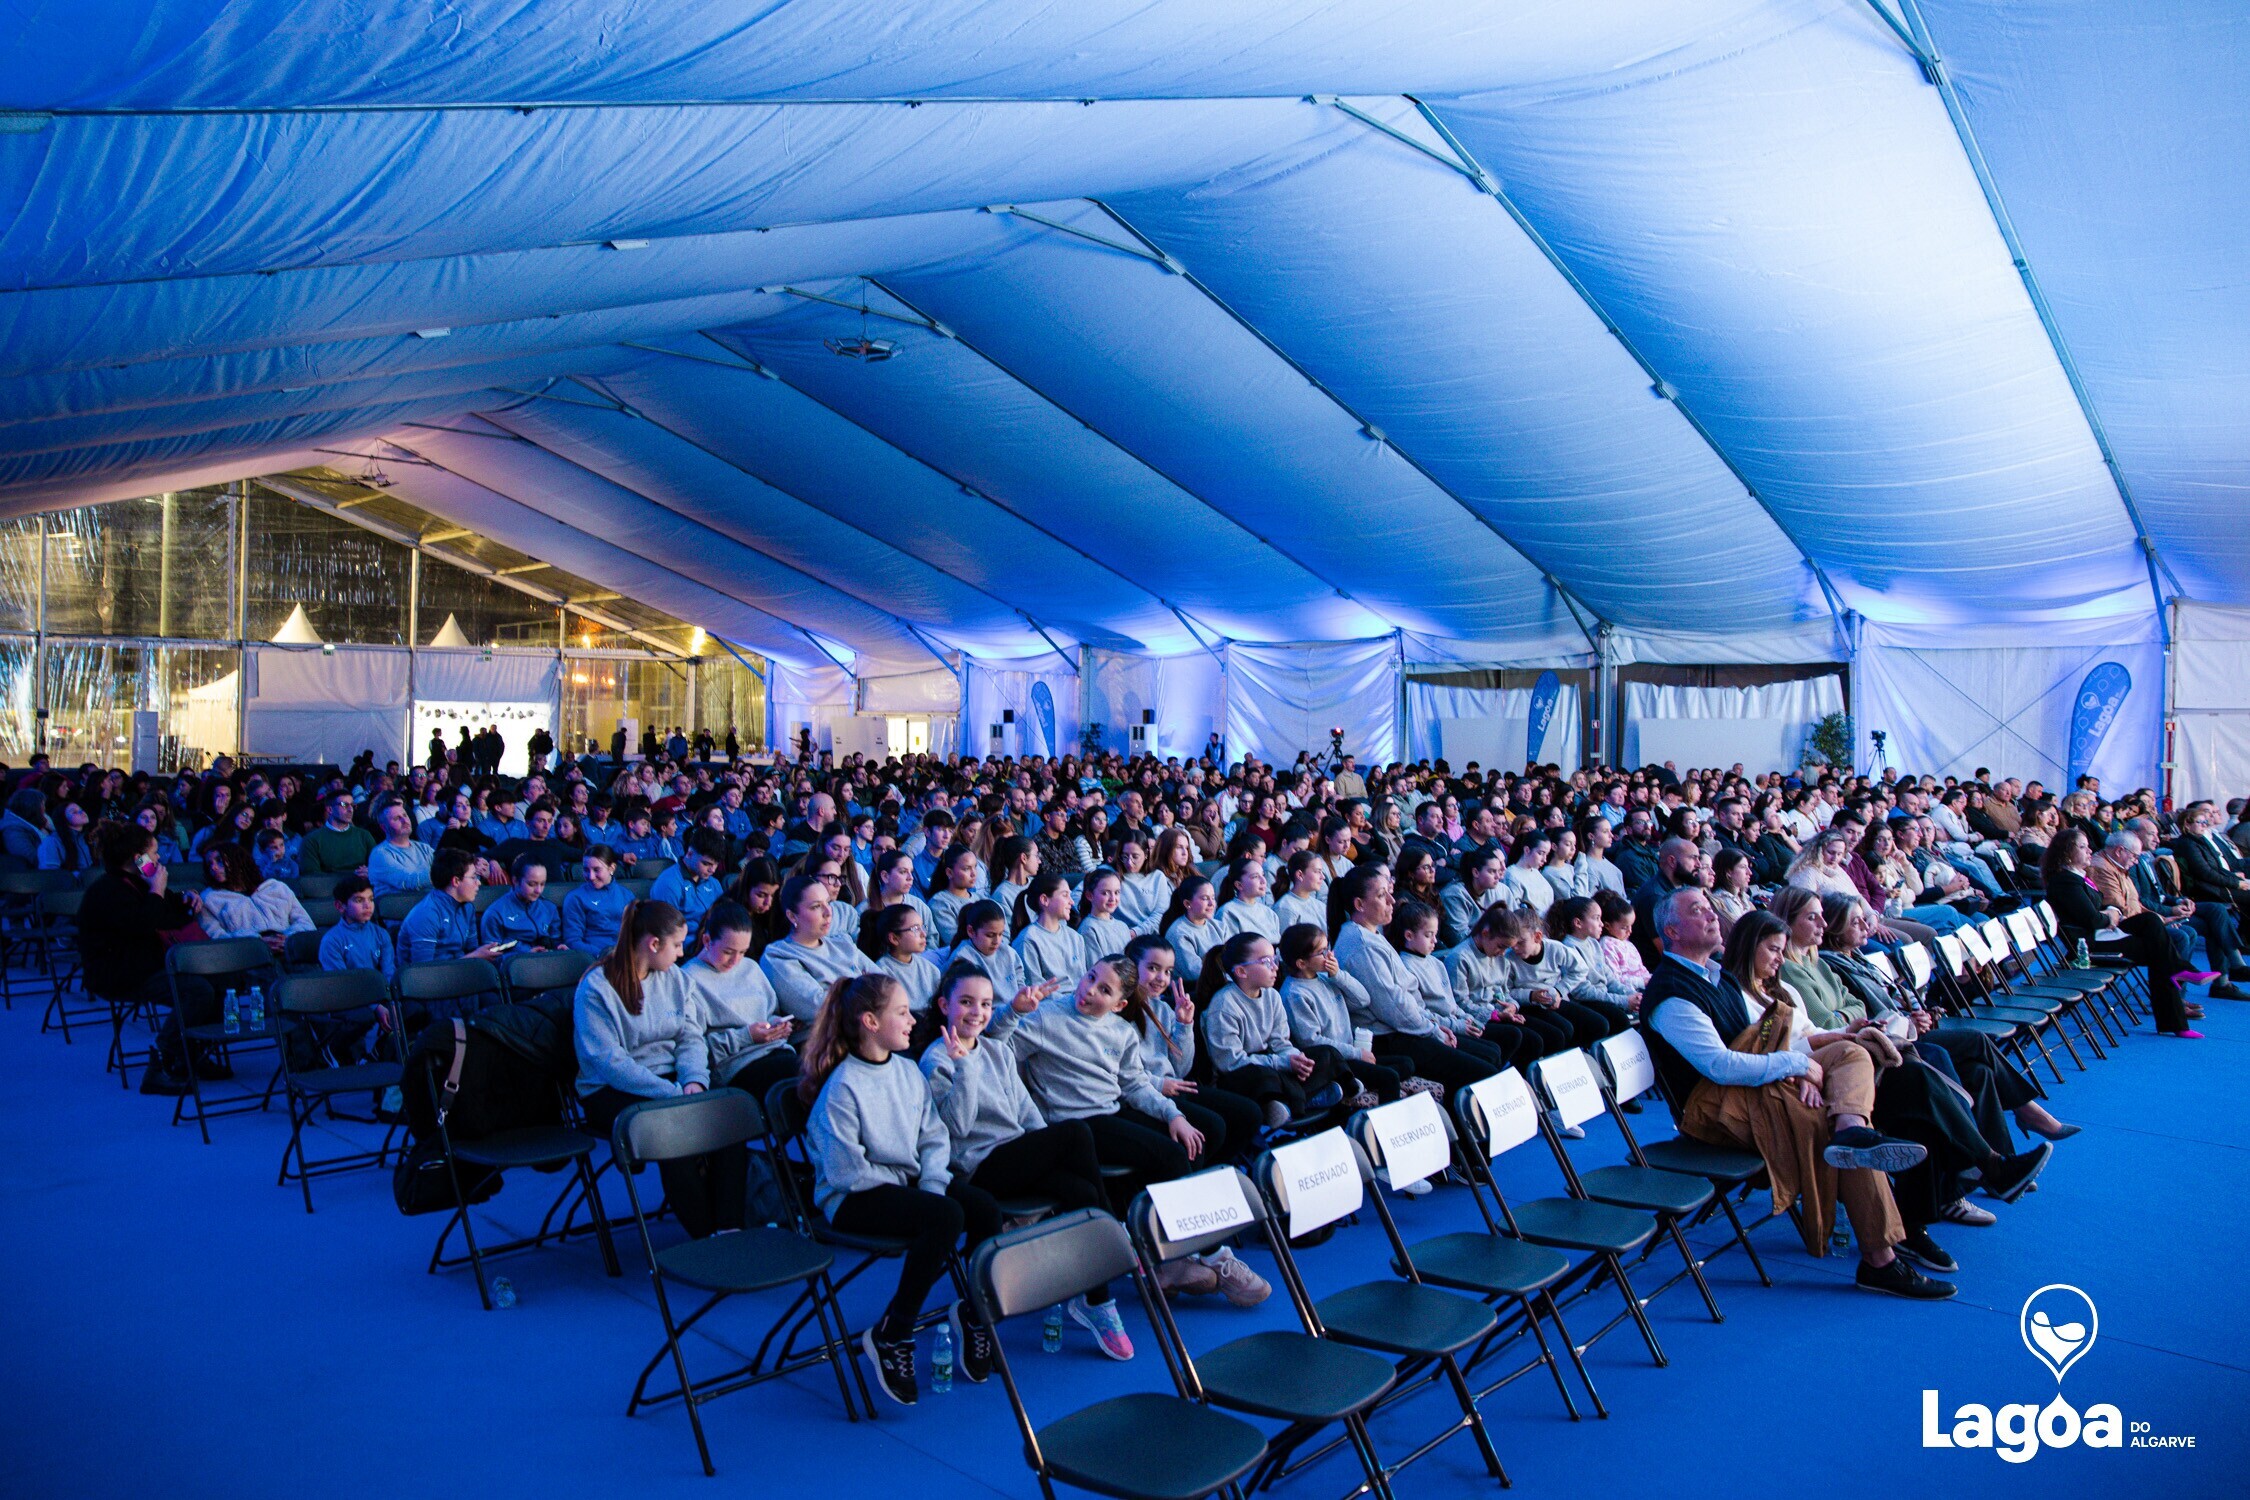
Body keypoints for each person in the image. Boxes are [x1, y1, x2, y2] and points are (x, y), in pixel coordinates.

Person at [1638, 888, 1952, 1300]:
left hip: (1755, 1091)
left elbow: (1764, 1044)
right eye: (1697, 911)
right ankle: (1881, 1261)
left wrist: (1804, 1067)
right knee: (1831, 1133)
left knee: (1850, 1052)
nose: (1712, 916)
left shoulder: (1714, 975)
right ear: (1673, 931)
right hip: (1719, 1111)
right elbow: (1721, 1065)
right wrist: (1796, 1066)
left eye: (1711, 907)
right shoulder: (1673, 993)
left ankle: (1851, 1126)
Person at [920, 962, 1134, 1360]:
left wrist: (1046, 1158)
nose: (977, 1012)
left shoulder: (996, 1049)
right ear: (944, 1005)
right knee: (1075, 1132)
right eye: (965, 1002)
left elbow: (1026, 1114)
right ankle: (1112, 1235)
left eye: (985, 1004)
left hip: (1017, 1158)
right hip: (978, 1168)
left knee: (1081, 1189)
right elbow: (957, 1129)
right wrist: (964, 1068)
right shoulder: (937, 1059)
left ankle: (1098, 1301)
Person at [800, 971, 986, 1406]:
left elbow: (934, 1138)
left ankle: (975, 1315)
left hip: (906, 1185)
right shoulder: (843, 1087)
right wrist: (921, 1194)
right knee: (945, 1217)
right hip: (853, 1197)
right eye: (902, 1012)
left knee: (982, 1209)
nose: (912, 1020)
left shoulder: (905, 1071)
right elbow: (847, 1172)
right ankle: (893, 1333)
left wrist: (933, 1184)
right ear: (869, 1021)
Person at [574, 900, 745, 1242]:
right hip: (610, 1090)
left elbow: (690, 1036)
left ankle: (729, 1228)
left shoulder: (675, 980)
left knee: (728, 1119)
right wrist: (672, 1095)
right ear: (654, 944)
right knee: (673, 1131)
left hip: (671, 1081)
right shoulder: (596, 988)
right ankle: (705, 1236)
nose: (682, 954)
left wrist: (694, 1080)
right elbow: (609, 1062)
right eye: (678, 945)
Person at [1332, 865, 1501, 1097]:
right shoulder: (1361, 945)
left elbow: (1408, 1001)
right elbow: (1393, 1006)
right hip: (1388, 1037)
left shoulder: (1371, 935)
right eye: (1381, 896)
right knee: (1485, 1070)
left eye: (1388, 891)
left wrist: (1435, 1023)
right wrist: (1434, 1031)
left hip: (1406, 1027)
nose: (1392, 899)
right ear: (1359, 905)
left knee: (1491, 1051)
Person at [80, 822, 211, 1095]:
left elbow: (169, 913)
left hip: (149, 965)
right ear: (136, 858)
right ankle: (162, 1061)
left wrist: (188, 898)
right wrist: (156, 891)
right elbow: (143, 924)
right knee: (197, 991)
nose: (159, 858)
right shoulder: (108, 891)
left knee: (217, 978)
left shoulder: (140, 882)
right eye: (153, 853)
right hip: (121, 973)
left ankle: (191, 1055)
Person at [2043, 827, 2192, 1036]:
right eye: (2083, 847)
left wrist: (2111, 912)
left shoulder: (2077, 877)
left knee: (2150, 923)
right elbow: (2093, 919)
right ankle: (2175, 1018)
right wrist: (2111, 915)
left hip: (2101, 933)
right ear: (2067, 852)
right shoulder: (2065, 881)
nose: (2089, 851)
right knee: (2158, 952)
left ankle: (2176, 1014)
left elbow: (2097, 909)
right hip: (2087, 945)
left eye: (2088, 846)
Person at [683, 899, 799, 1103]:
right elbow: (694, 1048)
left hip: (776, 1051)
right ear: (707, 941)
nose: (736, 961)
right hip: (735, 1066)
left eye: (743, 952)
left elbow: (771, 1011)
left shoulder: (750, 968)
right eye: (728, 952)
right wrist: (747, 1036)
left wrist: (778, 1027)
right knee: (804, 1080)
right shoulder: (688, 981)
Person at [761, 872, 877, 1024]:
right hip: (828, 1038)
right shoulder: (778, 956)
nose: (828, 912)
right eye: (816, 906)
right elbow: (817, 1007)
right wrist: (863, 981)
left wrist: (838, 990)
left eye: (828, 903)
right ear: (792, 916)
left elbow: (884, 982)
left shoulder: (843, 944)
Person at [195, 843, 314, 950]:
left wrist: (288, 938)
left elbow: (305, 923)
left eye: (219, 860)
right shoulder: (209, 899)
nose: (213, 867)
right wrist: (258, 943)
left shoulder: (276, 887)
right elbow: (216, 937)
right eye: (209, 864)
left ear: (238, 861)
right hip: (248, 955)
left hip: (290, 948)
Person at [319, 875, 397, 983]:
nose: (368, 905)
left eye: (371, 899)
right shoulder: (332, 941)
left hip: (380, 995)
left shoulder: (381, 934)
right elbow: (340, 982)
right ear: (340, 906)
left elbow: (389, 974)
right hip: (350, 997)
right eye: (359, 900)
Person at [561, 845, 634, 956]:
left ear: (612, 868)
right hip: (594, 959)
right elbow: (573, 941)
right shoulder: (575, 898)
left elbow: (636, 932)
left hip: (626, 956)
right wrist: (604, 954)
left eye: (597, 870)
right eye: (586, 870)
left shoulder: (626, 895)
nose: (591, 876)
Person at [649, 833, 723, 940]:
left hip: (712, 940)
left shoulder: (713, 883)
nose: (713, 870)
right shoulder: (668, 884)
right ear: (689, 853)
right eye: (706, 864)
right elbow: (666, 931)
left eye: (716, 864)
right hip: (685, 946)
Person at [481, 855, 563, 949]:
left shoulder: (549, 908)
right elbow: (491, 953)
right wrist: (525, 955)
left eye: (542, 884)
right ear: (515, 881)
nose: (539, 890)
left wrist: (559, 947)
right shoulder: (495, 913)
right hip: (517, 961)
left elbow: (556, 939)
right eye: (532, 884)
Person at [298, 786, 377, 875]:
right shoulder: (312, 840)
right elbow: (312, 877)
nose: (350, 809)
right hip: (327, 887)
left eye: (352, 805)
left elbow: (377, 867)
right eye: (344, 805)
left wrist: (370, 872)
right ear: (330, 809)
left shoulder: (364, 836)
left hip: (363, 886)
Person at [366, 798, 436, 898]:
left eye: (405, 815)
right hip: (398, 908)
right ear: (384, 827)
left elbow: (442, 863)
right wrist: (443, 871)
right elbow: (408, 882)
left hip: (427, 903)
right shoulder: (380, 854)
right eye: (396, 818)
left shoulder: (424, 848)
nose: (405, 820)